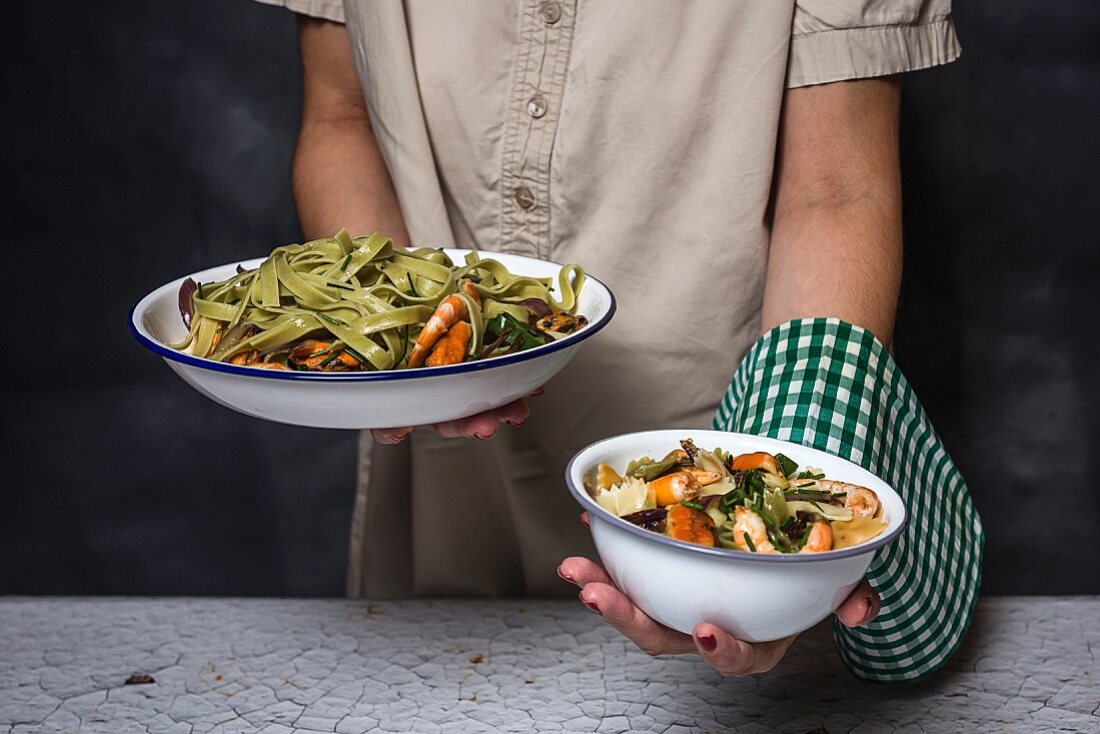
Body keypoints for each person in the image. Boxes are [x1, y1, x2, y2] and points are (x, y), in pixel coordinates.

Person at [256, 0, 980, 680]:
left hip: (717, 434)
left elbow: (836, 190)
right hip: (434, 472)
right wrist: (401, 361)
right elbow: (342, 118)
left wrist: (776, 522)